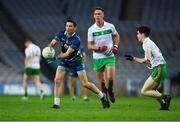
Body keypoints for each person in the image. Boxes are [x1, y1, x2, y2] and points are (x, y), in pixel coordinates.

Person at [48, 18, 109, 109]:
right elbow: (53, 42)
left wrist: (55, 57)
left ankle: (102, 96)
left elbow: (66, 54)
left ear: (74, 28)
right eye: (67, 26)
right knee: (57, 80)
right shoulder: (61, 33)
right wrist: (49, 48)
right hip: (65, 62)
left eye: (70, 26)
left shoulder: (76, 40)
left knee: (85, 84)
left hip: (76, 62)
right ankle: (56, 104)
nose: (68, 28)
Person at [124, 26, 171, 110]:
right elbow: (149, 61)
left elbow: (147, 60)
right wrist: (134, 59)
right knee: (152, 90)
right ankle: (164, 105)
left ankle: (165, 97)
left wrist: (134, 59)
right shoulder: (149, 42)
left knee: (144, 91)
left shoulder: (146, 43)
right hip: (162, 68)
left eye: (138, 33)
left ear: (143, 34)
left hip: (159, 69)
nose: (137, 35)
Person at [87, 6, 120, 105]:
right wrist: (99, 48)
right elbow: (89, 46)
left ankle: (110, 91)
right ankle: (106, 100)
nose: (97, 16)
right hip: (97, 58)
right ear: (94, 16)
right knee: (102, 82)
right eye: (95, 14)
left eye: (99, 14)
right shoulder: (91, 29)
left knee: (110, 78)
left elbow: (116, 35)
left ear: (103, 15)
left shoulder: (110, 26)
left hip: (109, 56)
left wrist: (115, 46)